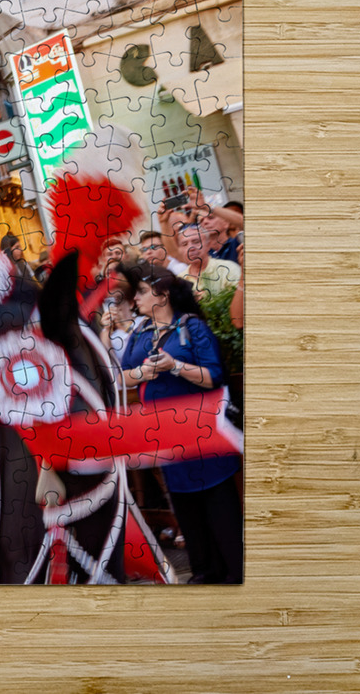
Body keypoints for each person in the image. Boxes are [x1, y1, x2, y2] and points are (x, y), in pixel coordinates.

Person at [120, 265, 242, 584]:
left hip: (204, 434)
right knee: (185, 508)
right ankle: (203, 572)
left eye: (143, 291)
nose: (137, 298)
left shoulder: (192, 327)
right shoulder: (139, 333)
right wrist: (141, 374)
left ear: (164, 294)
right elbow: (119, 376)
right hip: (166, 438)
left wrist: (175, 366)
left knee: (219, 506)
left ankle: (234, 573)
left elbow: (214, 376)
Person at [176, 223, 241, 297]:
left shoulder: (228, 269)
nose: (191, 248)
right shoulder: (179, 280)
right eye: (184, 244)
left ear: (208, 244)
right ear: (180, 250)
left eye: (196, 242)